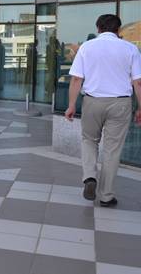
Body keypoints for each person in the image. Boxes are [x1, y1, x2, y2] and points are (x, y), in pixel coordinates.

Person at [65, 14, 141, 208]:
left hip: (92, 102)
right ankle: (106, 196)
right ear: (118, 30)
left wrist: (71, 105)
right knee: (112, 150)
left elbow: (76, 80)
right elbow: (137, 82)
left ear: (98, 28)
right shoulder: (131, 49)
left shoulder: (87, 47)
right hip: (120, 103)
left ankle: (90, 177)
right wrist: (140, 106)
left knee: (89, 140)